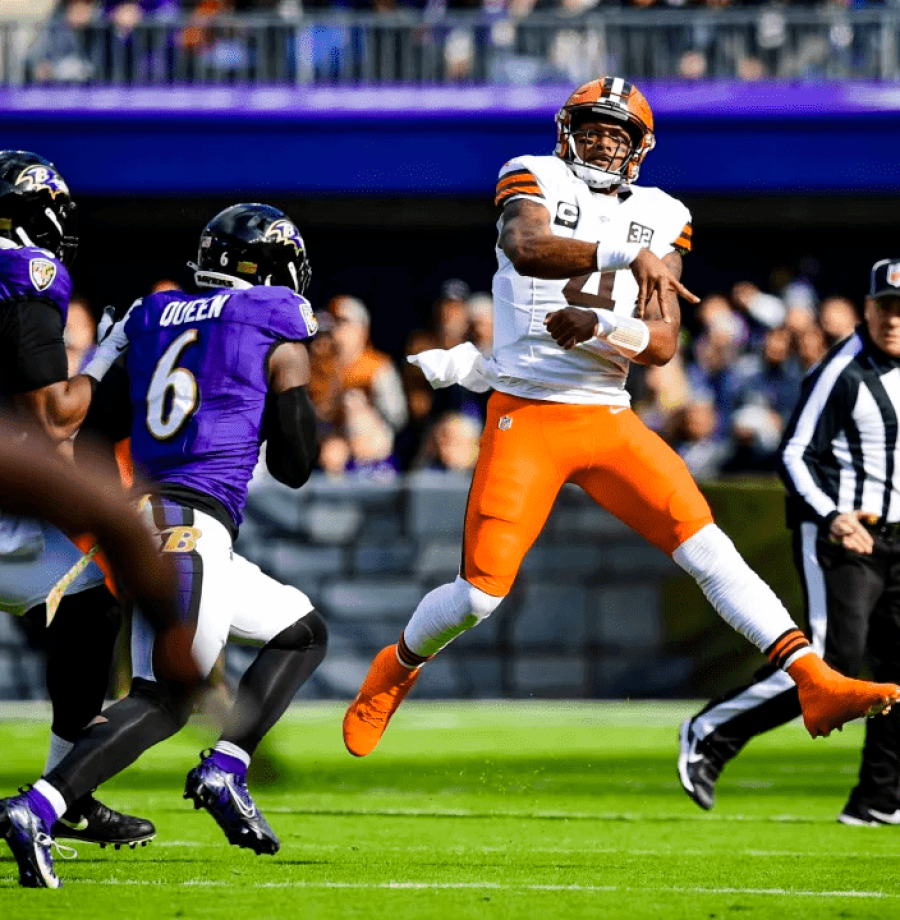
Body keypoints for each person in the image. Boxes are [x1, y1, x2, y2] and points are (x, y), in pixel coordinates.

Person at [342, 76, 900, 761]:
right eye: (593, 127)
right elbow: (526, 245)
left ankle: (813, 680)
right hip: (528, 411)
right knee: (478, 598)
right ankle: (395, 667)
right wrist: (621, 256)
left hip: (606, 414)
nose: (603, 141)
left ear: (640, 148)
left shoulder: (665, 214)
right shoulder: (532, 174)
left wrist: (604, 320)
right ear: (566, 128)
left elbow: (662, 344)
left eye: (618, 132)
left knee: (709, 549)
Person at [0, 202, 329, 888]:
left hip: (159, 512)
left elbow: (94, 424)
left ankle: (225, 768)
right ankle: (39, 807)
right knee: (163, 699)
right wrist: (282, 391)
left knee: (299, 630)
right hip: (193, 519)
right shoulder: (278, 316)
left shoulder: (150, 317)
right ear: (274, 269)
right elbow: (297, 465)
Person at [679, 259, 900, 825]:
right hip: (841, 533)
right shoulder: (842, 370)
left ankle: (879, 797)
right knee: (833, 660)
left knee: (897, 668)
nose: (894, 319)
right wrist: (831, 515)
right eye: (886, 307)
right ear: (867, 309)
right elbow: (795, 453)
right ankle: (711, 733)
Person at [0, 149, 158, 850]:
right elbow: (55, 417)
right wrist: (107, 354)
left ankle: (66, 794)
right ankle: (65, 791)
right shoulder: (25, 273)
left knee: (91, 606)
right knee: (94, 607)